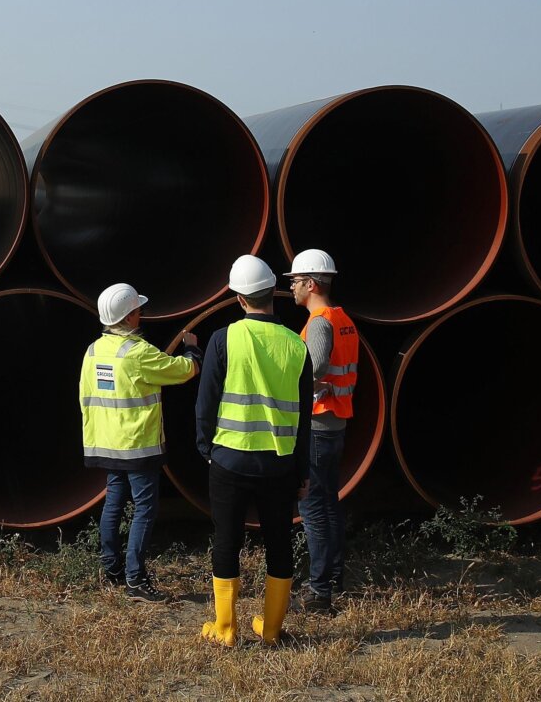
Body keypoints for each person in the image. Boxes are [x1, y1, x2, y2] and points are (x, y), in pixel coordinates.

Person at [196, 255, 312, 647]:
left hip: (229, 458)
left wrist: (205, 447)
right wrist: (301, 472)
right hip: (278, 466)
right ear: (271, 295)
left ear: (239, 299)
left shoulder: (223, 339)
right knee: (279, 543)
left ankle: (226, 629)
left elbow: (206, 402)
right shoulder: (297, 346)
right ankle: (273, 629)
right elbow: (304, 420)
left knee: (226, 539)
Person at [78, 281, 201, 603]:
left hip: (106, 443)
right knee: (144, 508)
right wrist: (192, 348)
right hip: (137, 445)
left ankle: (112, 570)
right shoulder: (138, 353)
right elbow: (184, 371)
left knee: (114, 503)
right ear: (130, 317)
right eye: (138, 311)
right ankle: (136, 579)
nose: (140, 316)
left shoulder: (93, 351)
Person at [285, 248, 359, 613]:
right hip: (334, 422)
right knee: (329, 503)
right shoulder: (342, 318)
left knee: (313, 508)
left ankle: (318, 593)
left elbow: (310, 369)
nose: (293, 288)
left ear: (311, 283)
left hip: (316, 425)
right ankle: (333, 579)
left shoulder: (319, 323)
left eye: (296, 282)